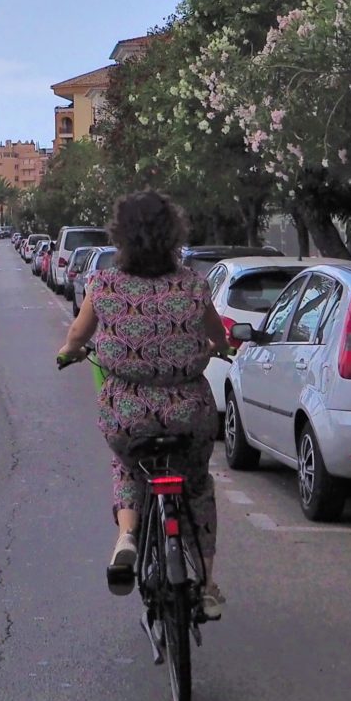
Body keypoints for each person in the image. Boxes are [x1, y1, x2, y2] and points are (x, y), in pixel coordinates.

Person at [56, 189, 229, 617]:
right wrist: (220, 347)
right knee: (197, 485)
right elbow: (218, 335)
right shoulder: (193, 284)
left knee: (128, 464)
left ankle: (127, 537)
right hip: (189, 413)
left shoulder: (105, 284)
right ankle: (206, 584)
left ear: (122, 237)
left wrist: (69, 352)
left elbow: (78, 337)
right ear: (174, 233)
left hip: (126, 413)